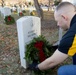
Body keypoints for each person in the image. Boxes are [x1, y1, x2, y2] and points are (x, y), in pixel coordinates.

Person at [28, 2, 76, 75]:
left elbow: (51, 62)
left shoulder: (72, 35)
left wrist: (36, 67)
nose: (58, 24)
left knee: (63, 71)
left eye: (57, 21)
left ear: (64, 17)